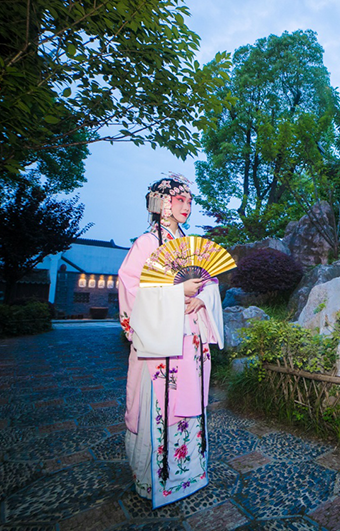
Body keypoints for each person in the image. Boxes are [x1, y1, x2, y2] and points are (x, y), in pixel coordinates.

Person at [117, 175, 223, 508]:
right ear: (163, 202)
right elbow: (131, 291)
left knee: (191, 402)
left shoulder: (190, 245)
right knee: (160, 405)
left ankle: (189, 472)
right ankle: (155, 479)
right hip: (161, 346)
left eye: (190, 201)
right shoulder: (146, 244)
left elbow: (211, 283)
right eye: (180, 199)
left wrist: (202, 298)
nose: (187, 206)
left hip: (190, 341)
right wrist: (178, 292)